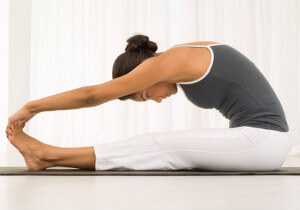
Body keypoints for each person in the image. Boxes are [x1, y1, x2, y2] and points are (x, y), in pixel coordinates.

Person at [5, 34, 290, 171]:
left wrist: (32, 107)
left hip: (264, 141)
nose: (154, 99)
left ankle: (47, 155)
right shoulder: (185, 55)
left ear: (144, 71)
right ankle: (47, 155)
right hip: (258, 141)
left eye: (144, 93)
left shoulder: (171, 61)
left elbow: (92, 95)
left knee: (159, 145)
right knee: (164, 148)